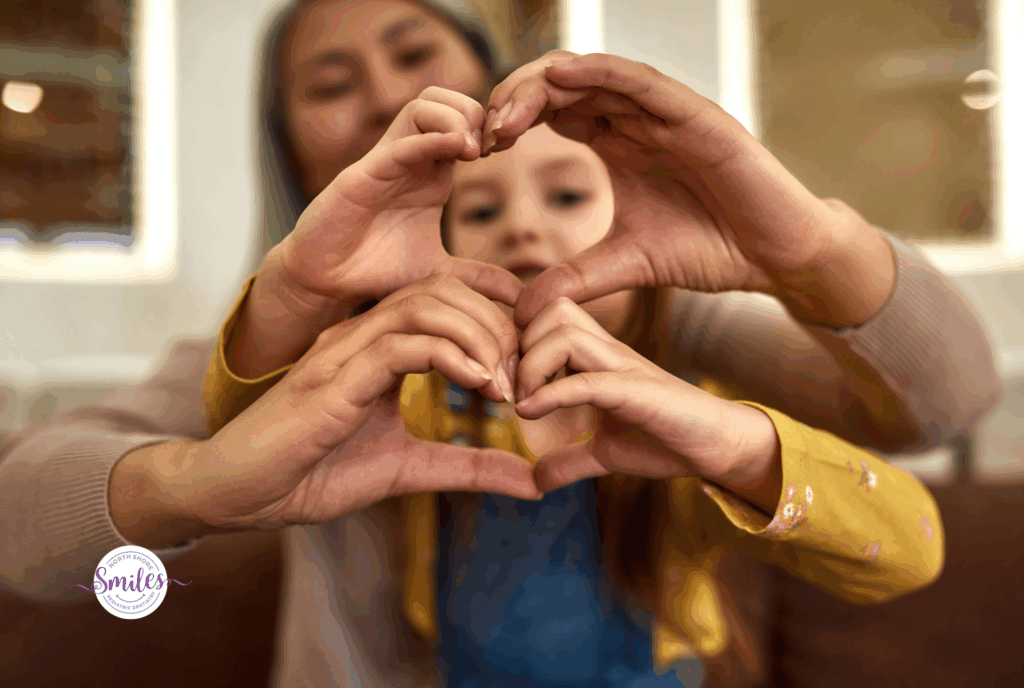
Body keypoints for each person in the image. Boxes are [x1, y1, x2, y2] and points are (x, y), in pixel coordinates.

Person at [0, 1, 1002, 685]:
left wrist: (805, 248)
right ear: (294, 153)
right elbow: (25, 535)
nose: (382, 95)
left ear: (495, 91)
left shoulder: (665, 322)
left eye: (413, 52)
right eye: (329, 82)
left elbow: (941, 412)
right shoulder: (277, 345)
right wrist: (198, 481)